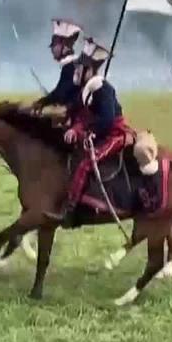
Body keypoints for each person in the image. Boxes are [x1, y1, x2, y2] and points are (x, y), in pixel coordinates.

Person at [48, 39, 133, 225]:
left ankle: (71, 208)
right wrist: (74, 128)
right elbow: (82, 115)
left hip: (114, 134)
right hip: (96, 131)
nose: (76, 71)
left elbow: (107, 120)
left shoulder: (105, 90)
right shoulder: (86, 90)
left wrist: (90, 132)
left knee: (87, 163)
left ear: (89, 70)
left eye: (80, 68)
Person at [34, 19, 83, 110]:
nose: (52, 48)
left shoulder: (71, 67)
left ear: (65, 45)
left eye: (54, 44)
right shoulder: (74, 64)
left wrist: (43, 102)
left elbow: (60, 94)